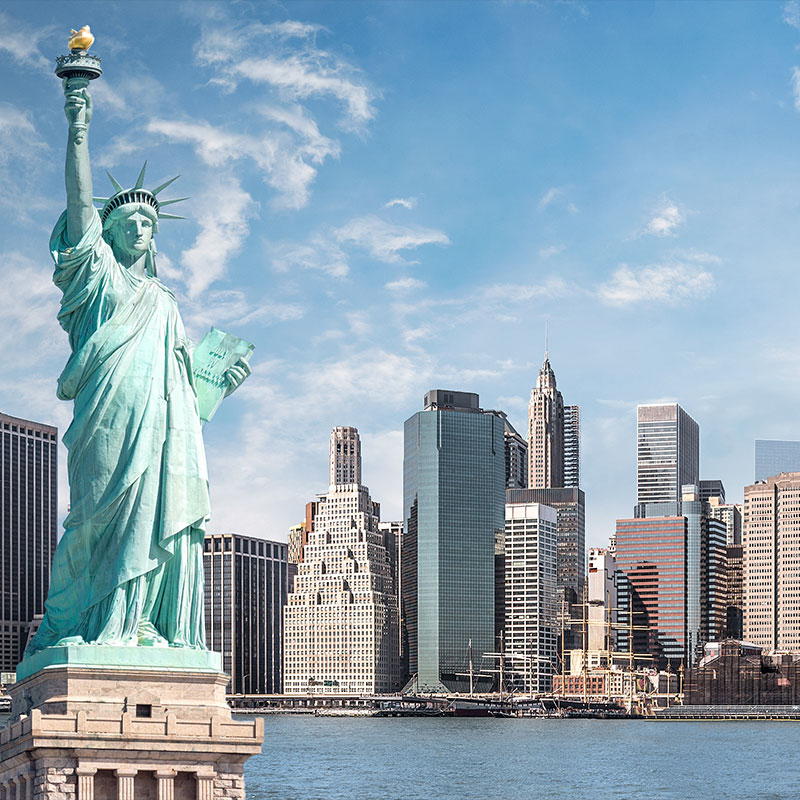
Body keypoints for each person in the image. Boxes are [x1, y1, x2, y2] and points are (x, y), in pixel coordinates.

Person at [26, 77, 250, 654]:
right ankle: (77, 623)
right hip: (105, 416)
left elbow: (186, 393)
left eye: (149, 223)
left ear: (155, 236)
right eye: (128, 220)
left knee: (154, 518)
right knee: (92, 520)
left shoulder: (168, 303)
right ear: (110, 230)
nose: (140, 227)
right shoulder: (96, 276)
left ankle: (139, 623)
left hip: (159, 425)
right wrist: (78, 125)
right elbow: (79, 203)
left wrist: (218, 383)